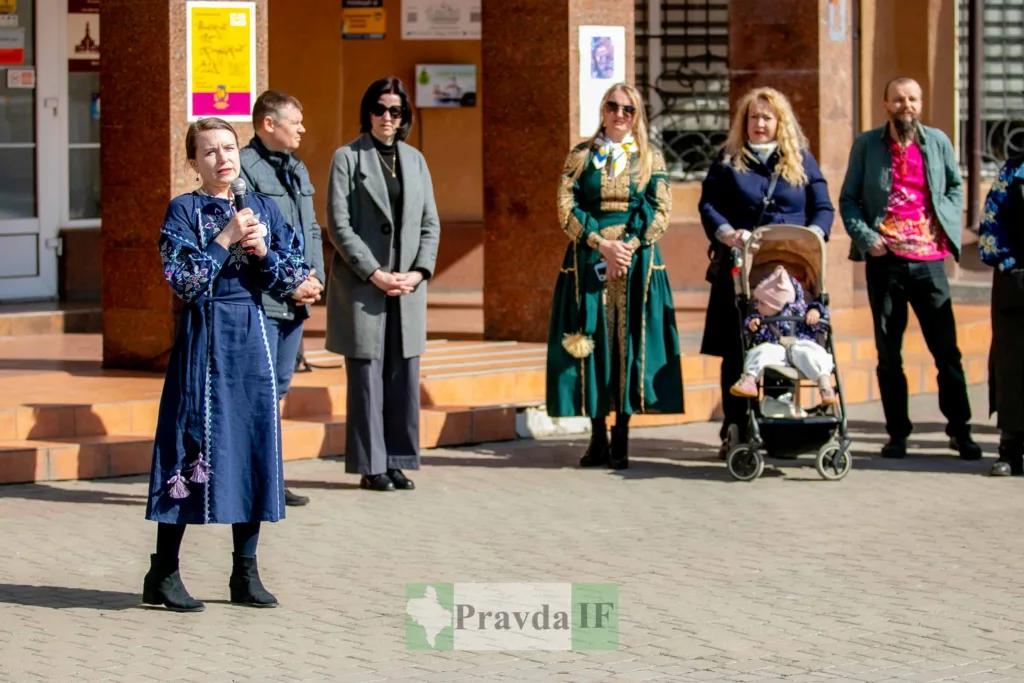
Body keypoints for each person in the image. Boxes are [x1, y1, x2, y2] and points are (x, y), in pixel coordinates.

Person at [143, 117, 312, 611]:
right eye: (210, 151)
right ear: (193, 162)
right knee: (187, 446)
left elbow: (295, 276)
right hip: (203, 338)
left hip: (251, 337)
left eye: (229, 148)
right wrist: (225, 239)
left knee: (252, 446)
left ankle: (245, 572)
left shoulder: (262, 206)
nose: (223, 158)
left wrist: (264, 253)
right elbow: (184, 282)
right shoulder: (184, 210)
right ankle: (164, 572)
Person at [839, 76, 981, 460]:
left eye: (913, 99)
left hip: (929, 263)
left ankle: (960, 430)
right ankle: (897, 434)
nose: (907, 106)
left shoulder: (938, 142)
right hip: (885, 263)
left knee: (946, 352)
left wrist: (943, 227)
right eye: (899, 99)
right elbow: (849, 199)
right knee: (889, 355)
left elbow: (954, 187)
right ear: (886, 104)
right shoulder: (867, 145)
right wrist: (867, 238)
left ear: (921, 104)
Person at [546, 82, 684, 471]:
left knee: (628, 343)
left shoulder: (651, 158)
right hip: (589, 259)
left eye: (628, 109)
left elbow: (661, 209)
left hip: (636, 262)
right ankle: (597, 437)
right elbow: (565, 205)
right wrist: (599, 243)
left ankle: (621, 434)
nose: (619, 114)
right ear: (602, 110)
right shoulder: (580, 155)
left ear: (637, 116)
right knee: (593, 341)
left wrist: (629, 246)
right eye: (613, 106)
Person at [698, 86, 834, 459]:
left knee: (784, 341)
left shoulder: (800, 159)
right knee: (737, 348)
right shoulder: (728, 160)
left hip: (791, 271)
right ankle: (736, 425)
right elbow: (708, 205)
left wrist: (811, 239)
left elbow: (823, 207)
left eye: (767, 117)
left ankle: (778, 422)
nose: (760, 124)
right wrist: (727, 233)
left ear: (780, 122)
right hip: (741, 269)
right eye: (753, 117)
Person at [324, 77, 440, 492]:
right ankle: (370, 466)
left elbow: (430, 223)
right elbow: (338, 225)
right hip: (364, 286)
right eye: (379, 109)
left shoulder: (415, 160)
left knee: (403, 378)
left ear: (405, 115)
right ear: (367, 112)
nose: (387, 117)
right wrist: (373, 272)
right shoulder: (347, 158)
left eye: (395, 110)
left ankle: (397, 460)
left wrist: (419, 272)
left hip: (406, 288)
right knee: (367, 379)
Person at [239, 90, 325, 508]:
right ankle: (255, 480)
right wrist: (289, 283)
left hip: (296, 299)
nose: (303, 128)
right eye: (296, 121)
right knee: (260, 390)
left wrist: (315, 276)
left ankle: (269, 476)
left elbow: (311, 229)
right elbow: (253, 240)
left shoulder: (296, 167)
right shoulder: (244, 169)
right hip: (266, 298)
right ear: (268, 123)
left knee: (280, 387)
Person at [730, 265, 837, 405]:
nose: (757, 306)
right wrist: (752, 325)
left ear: (777, 306)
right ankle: (749, 380)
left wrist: (816, 314)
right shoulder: (760, 317)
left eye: (762, 303)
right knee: (758, 352)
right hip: (776, 348)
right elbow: (753, 332)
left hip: (800, 344)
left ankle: (825, 387)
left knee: (816, 354)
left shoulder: (804, 310)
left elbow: (822, 322)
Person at [977, 154, 1024, 475]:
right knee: (1013, 367)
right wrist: (1010, 266)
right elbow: (991, 222)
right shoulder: (1013, 170)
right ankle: (1010, 449)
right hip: (1016, 284)